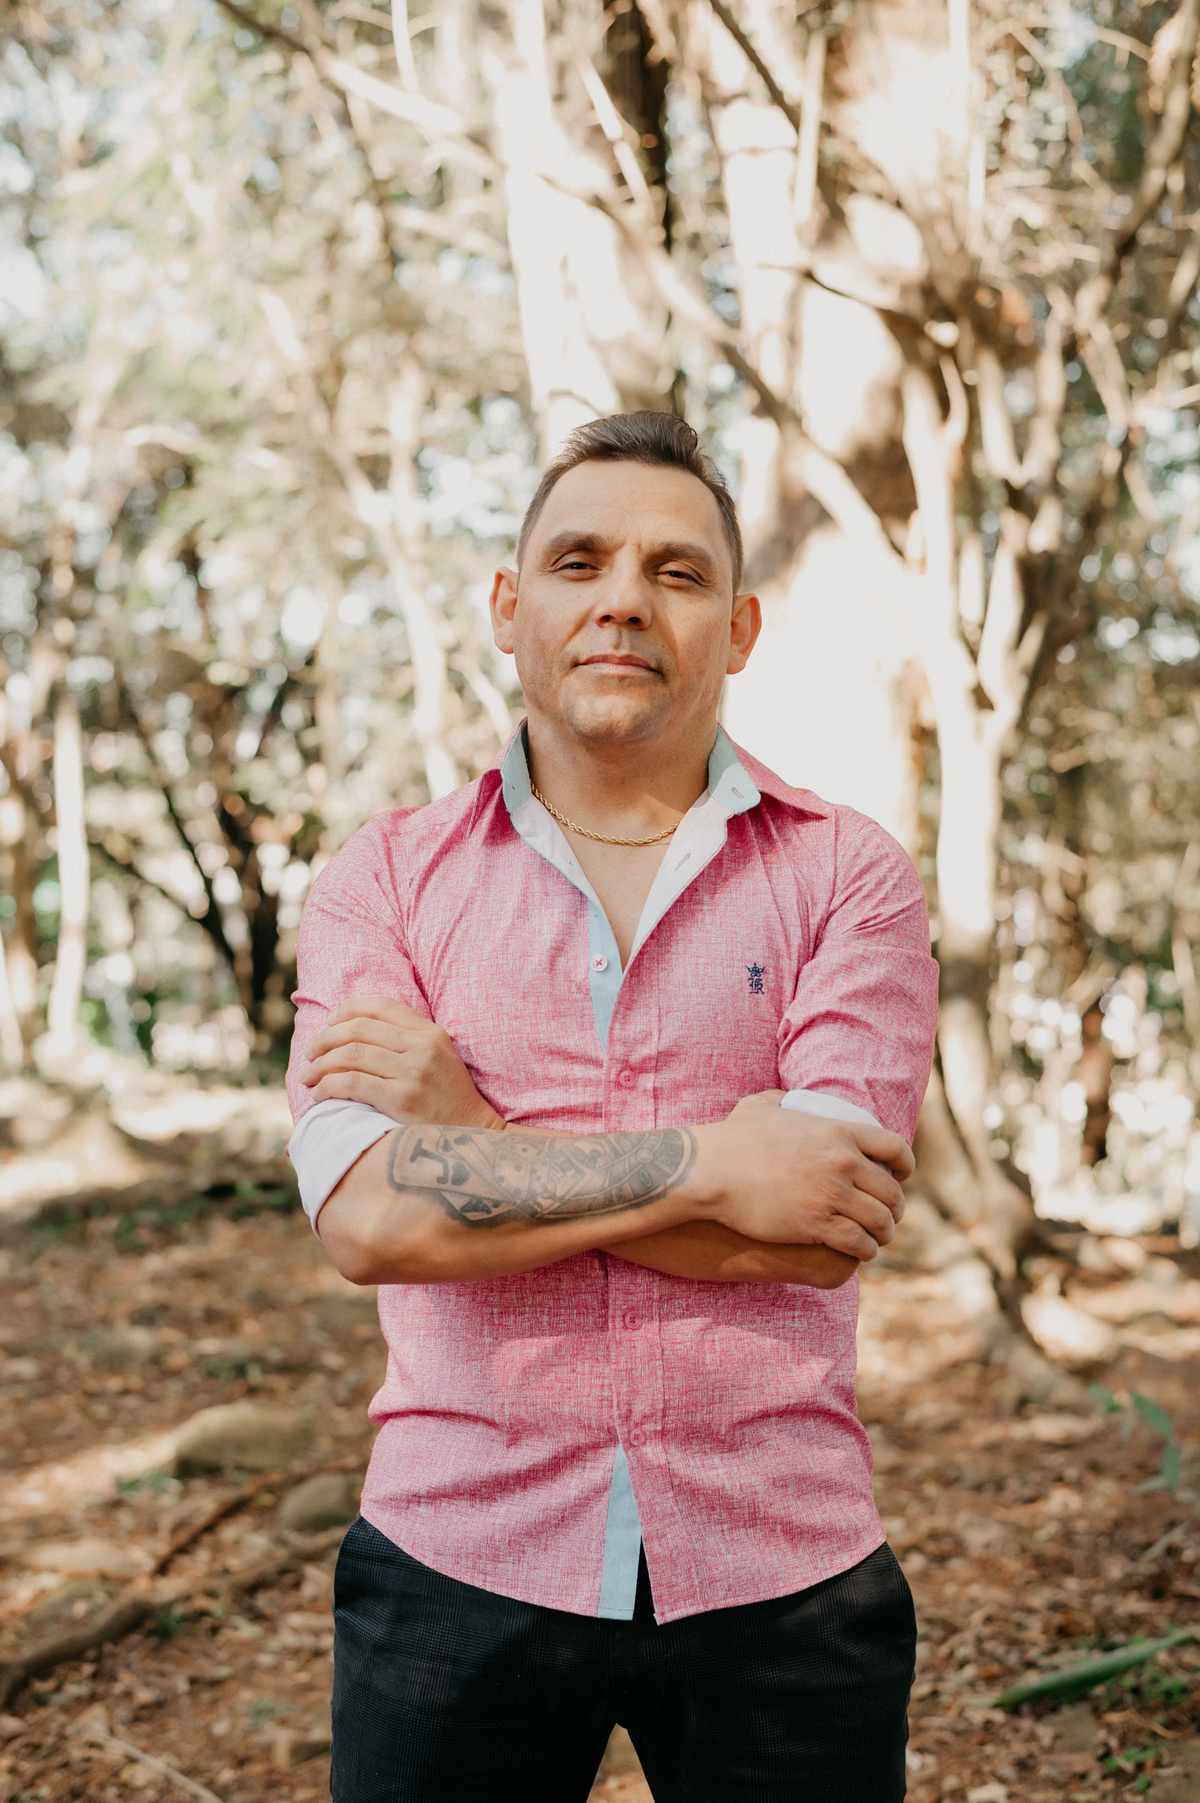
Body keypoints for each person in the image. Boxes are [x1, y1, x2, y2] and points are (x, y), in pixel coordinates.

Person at [286, 410, 939, 1803]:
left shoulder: (848, 877)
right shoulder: (384, 881)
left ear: (740, 629)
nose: (625, 599)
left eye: (677, 572)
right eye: (579, 561)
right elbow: (370, 1224)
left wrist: (474, 1145)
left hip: (784, 1566)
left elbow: (818, 1226)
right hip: (456, 1556)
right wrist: (720, 1165)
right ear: (509, 607)